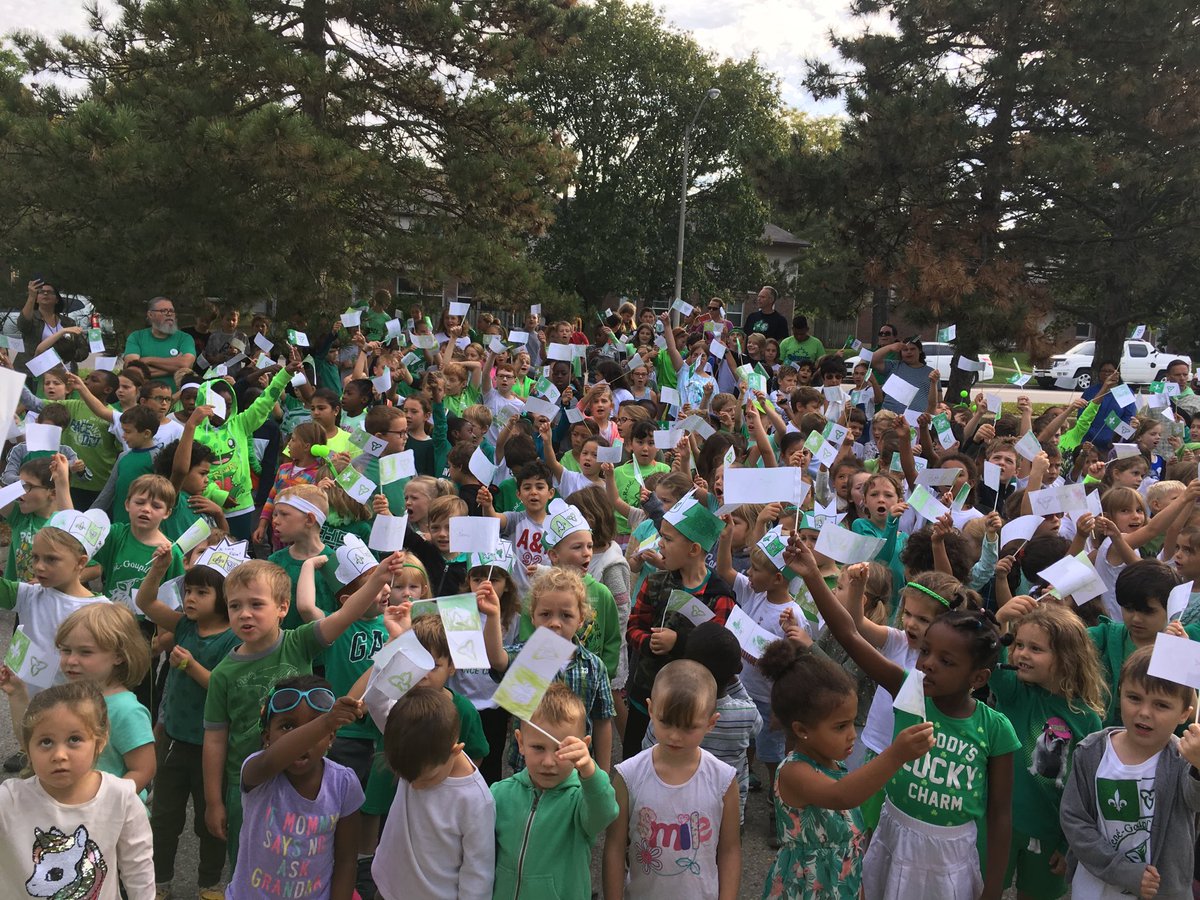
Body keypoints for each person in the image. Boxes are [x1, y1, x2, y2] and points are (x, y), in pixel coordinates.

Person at [790, 534, 1019, 900]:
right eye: (927, 651)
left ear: (978, 677)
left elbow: (1000, 815)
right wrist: (813, 578)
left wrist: (993, 888)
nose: (927, 663)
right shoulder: (909, 690)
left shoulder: (996, 729)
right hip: (894, 838)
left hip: (950, 857)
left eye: (946, 661)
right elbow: (849, 634)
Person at [202, 553, 401, 870]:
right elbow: (215, 739)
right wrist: (213, 801)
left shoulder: (299, 643)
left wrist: (377, 578)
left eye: (256, 604)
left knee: (303, 856)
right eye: (235, 606)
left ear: (283, 608)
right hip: (250, 784)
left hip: (306, 776)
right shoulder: (223, 674)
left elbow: (346, 614)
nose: (244, 614)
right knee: (250, 861)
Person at [757, 640, 935, 899]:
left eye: (852, 723)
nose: (852, 735)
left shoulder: (834, 766)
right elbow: (842, 796)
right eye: (840, 727)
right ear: (801, 730)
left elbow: (849, 849)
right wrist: (897, 754)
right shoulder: (794, 772)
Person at [136, 543, 239, 899]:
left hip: (212, 747)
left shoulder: (233, 638)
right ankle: (159, 879)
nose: (190, 598)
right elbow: (145, 603)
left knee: (210, 821)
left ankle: (210, 882)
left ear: (225, 597)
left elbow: (222, 689)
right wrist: (158, 569)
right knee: (164, 817)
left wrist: (190, 666)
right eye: (188, 590)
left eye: (201, 592)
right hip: (174, 740)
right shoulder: (183, 626)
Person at [1060, 647, 1200, 899]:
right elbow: (1075, 820)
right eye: (1134, 697)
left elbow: (1195, 801)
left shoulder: (1183, 759)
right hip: (1096, 888)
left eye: (1161, 704)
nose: (1144, 712)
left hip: (1162, 890)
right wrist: (1123, 871)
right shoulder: (1091, 752)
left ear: (1184, 714)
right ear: (1119, 693)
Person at [991, 600, 1106, 900]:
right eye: (1018, 645)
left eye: (1035, 649)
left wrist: (1069, 844)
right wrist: (999, 620)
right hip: (998, 823)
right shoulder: (1014, 691)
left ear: (1067, 658)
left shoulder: (1087, 718)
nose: (1021, 654)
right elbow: (986, 657)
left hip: (1049, 831)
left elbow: (1084, 787)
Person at [0, 681, 155, 899]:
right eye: (46, 742)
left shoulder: (121, 797)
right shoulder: (8, 801)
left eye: (74, 739)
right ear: (27, 749)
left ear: (99, 742)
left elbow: (139, 869)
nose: (59, 755)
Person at [603, 660, 741, 900]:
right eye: (666, 722)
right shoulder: (629, 775)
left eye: (689, 727)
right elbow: (614, 846)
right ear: (650, 709)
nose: (675, 736)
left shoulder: (723, 780)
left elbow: (729, 850)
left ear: (711, 722)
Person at [226, 677, 364, 900]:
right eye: (287, 726)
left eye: (313, 725)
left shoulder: (343, 784)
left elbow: (347, 860)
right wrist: (324, 722)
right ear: (267, 738)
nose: (302, 738)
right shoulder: (257, 773)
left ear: (331, 737)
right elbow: (270, 761)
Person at [491, 683, 618, 899]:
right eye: (538, 748)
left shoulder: (580, 799)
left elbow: (605, 813)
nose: (549, 762)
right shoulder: (500, 794)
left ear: (583, 747)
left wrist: (590, 771)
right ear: (520, 742)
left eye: (561, 749)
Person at [369, 685, 496, 900]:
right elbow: (376, 697)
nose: (415, 787)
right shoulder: (410, 739)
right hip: (387, 887)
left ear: (455, 750)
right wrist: (399, 656)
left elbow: (477, 874)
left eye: (427, 778)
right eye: (406, 779)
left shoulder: (475, 800)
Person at [17, 277, 90, 373]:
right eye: (41, 292)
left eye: (50, 292)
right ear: (37, 299)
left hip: (64, 372)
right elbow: (23, 325)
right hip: (33, 372)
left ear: (57, 300)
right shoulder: (32, 318)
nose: (46, 293)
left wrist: (67, 355)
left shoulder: (68, 322)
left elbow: (83, 349)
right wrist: (31, 296)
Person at [122, 297, 197, 386]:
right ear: (150, 314)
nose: (169, 314)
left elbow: (185, 364)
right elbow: (133, 370)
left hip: (176, 397)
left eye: (171, 311)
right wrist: (174, 369)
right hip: (145, 396)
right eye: (164, 311)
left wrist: (148, 360)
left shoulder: (185, 338)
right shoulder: (136, 337)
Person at [872, 335, 935, 414]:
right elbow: (873, 359)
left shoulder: (932, 373)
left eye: (912, 349)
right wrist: (890, 347)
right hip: (889, 417)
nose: (909, 352)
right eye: (905, 350)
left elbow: (937, 400)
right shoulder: (894, 366)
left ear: (920, 350)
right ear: (901, 352)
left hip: (916, 421)